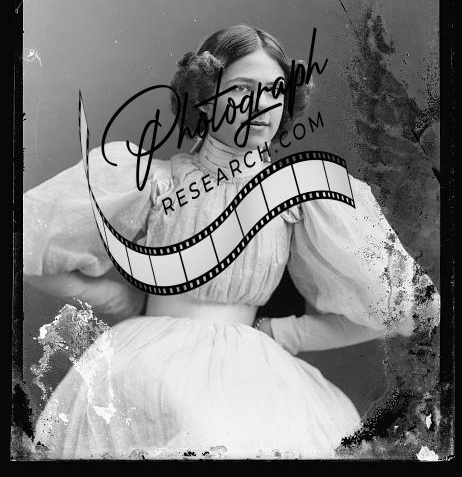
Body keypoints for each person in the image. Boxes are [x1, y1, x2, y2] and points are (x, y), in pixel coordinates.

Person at [23, 24, 440, 460]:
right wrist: (116, 298)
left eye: (275, 90)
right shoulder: (152, 181)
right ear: (204, 97)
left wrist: (290, 333)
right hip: (144, 367)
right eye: (242, 88)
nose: (261, 105)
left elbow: (406, 309)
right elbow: (29, 247)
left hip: (252, 372)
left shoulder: (301, 196)